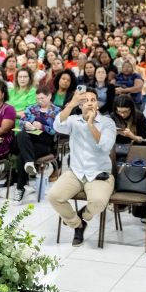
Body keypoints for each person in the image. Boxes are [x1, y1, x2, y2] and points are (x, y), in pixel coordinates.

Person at [48, 91, 117, 246]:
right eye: (86, 101)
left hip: (99, 173)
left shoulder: (107, 122)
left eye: (93, 100)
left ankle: (83, 215)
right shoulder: (73, 120)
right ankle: (78, 225)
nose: (90, 103)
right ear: (81, 105)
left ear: (97, 104)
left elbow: (105, 146)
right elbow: (57, 125)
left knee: (98, 201)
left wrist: (91, 124)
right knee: (53, 196)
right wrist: (71, 104)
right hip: (76, 172)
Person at [9, 88, 61, 203]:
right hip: (29, 139)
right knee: (22, 134)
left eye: (42, 98)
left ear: (49, 96)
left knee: (22, 155)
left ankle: (20, 188)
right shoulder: (31, 108)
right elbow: (21, 122)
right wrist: (26, 124)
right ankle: (29, 163)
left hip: (45, 142)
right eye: (37, 98)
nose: (39, 101)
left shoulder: (57, 111)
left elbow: (56, 130)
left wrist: (42, 127)